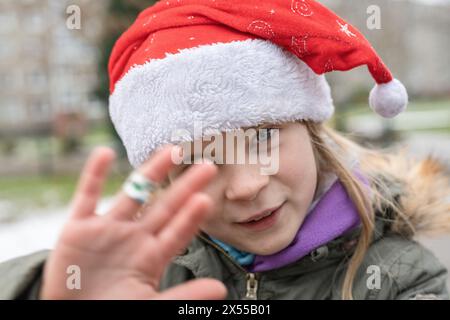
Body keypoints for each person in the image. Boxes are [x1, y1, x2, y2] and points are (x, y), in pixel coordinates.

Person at [1, 0, 449, 300]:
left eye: (261, 138)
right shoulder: (143, 273)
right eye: (197, 161)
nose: (245, 187)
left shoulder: (402, 280)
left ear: (311, 128)